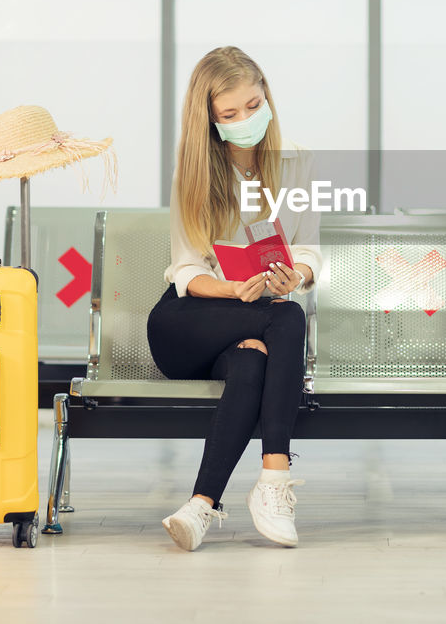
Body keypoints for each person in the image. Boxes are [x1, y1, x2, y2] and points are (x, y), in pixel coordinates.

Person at [146, 46, 321, 552]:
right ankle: (275, 478)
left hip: (255, 321)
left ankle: (201, 506)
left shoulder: (297, 165)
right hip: (186, 323)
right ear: (210, 119)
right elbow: (185, 268)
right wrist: (230, 289)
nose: (246, 119)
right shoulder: (194, 173)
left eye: (253, 105)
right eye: (230, 113)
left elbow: (307, 248)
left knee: (254, 358)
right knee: (283, 319)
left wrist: (297, 275)